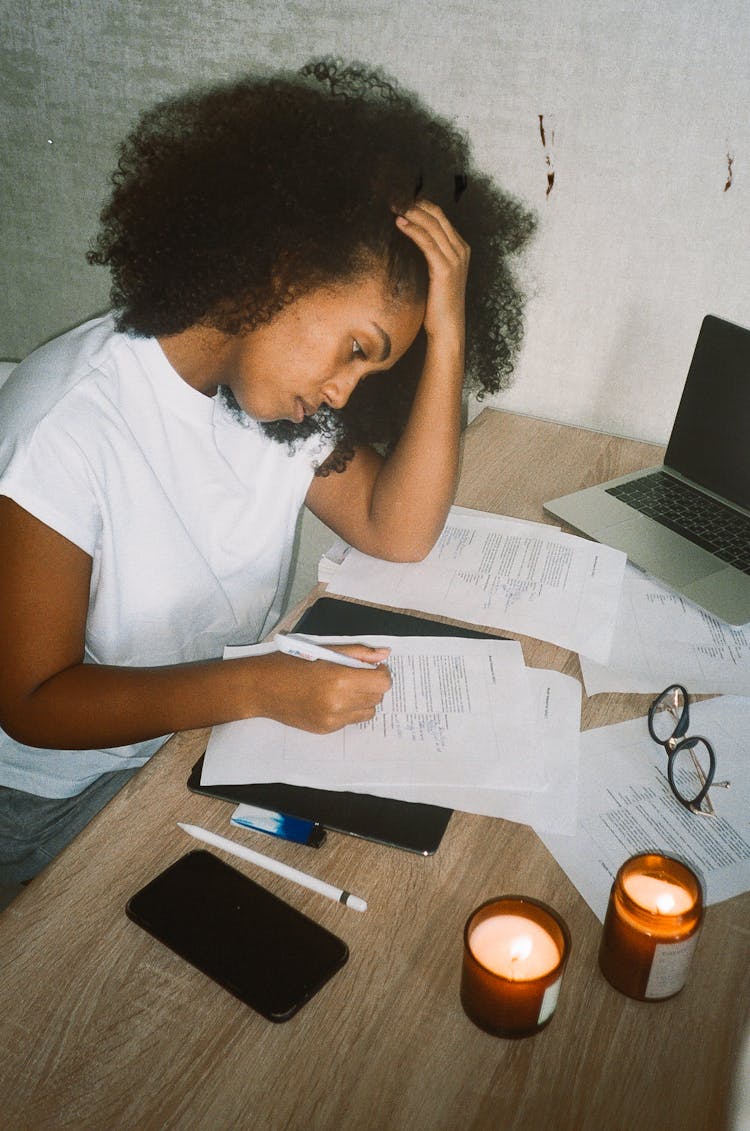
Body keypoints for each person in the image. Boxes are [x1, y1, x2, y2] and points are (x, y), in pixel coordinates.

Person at [0, 59, 535, 882]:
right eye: (356, 349)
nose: (342, 391)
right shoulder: (68, 426)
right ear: (282, 264)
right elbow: (31, 701)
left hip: (178, 754)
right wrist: (258, 687)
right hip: (43, 801)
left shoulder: (274, 409)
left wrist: (450, 333)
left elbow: (399, 529)